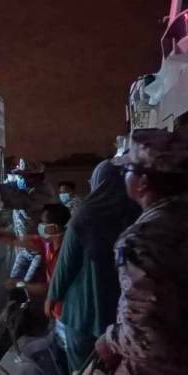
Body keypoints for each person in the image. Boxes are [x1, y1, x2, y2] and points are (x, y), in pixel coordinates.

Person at [95, 128, 188, 374]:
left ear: (143, 183)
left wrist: (110, 339)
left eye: (127, 170)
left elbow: (147, 339)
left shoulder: (142, 239)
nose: (124, 176)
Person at [45, 160, 141, 373]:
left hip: (82, 312)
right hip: (119, 314)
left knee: (81, 368)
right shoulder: (136, 215)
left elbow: (65, 265)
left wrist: (52, 297)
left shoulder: (83, 216)